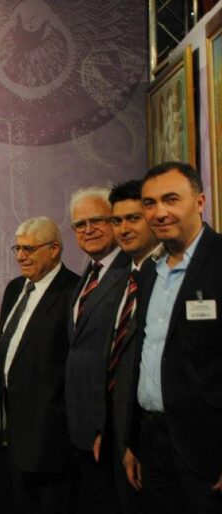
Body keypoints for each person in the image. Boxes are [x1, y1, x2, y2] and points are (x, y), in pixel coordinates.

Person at [125, 162, 222, 513]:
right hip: (152, 443)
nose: (159, 212)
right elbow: (145, 355)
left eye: (170, 199)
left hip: (206, 448)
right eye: (149, 203)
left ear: (199, 201)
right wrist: (133, 440)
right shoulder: (151, 270)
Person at [0, 216, 79, 514]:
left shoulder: (74, 291)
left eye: (28, 249)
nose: (20, 256)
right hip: (10, 430)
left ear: (54, 249)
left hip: (51, 436)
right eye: (17, 248)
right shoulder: (16, 287)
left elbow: (75, 367)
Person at [65, 187, 132, 514]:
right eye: (80, 225)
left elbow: (121, 360)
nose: (87, 230)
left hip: (108, 429)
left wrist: (102, 426)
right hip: (81, 427)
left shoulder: (129, 272)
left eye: (96, 221)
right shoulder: (89, 273)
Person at [102, 179, 159, 514]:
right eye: (117, 220)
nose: (123, 228)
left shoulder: (170, 273)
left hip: (164, 434)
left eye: (133, 218)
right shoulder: (121, 277)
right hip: (121, 429)